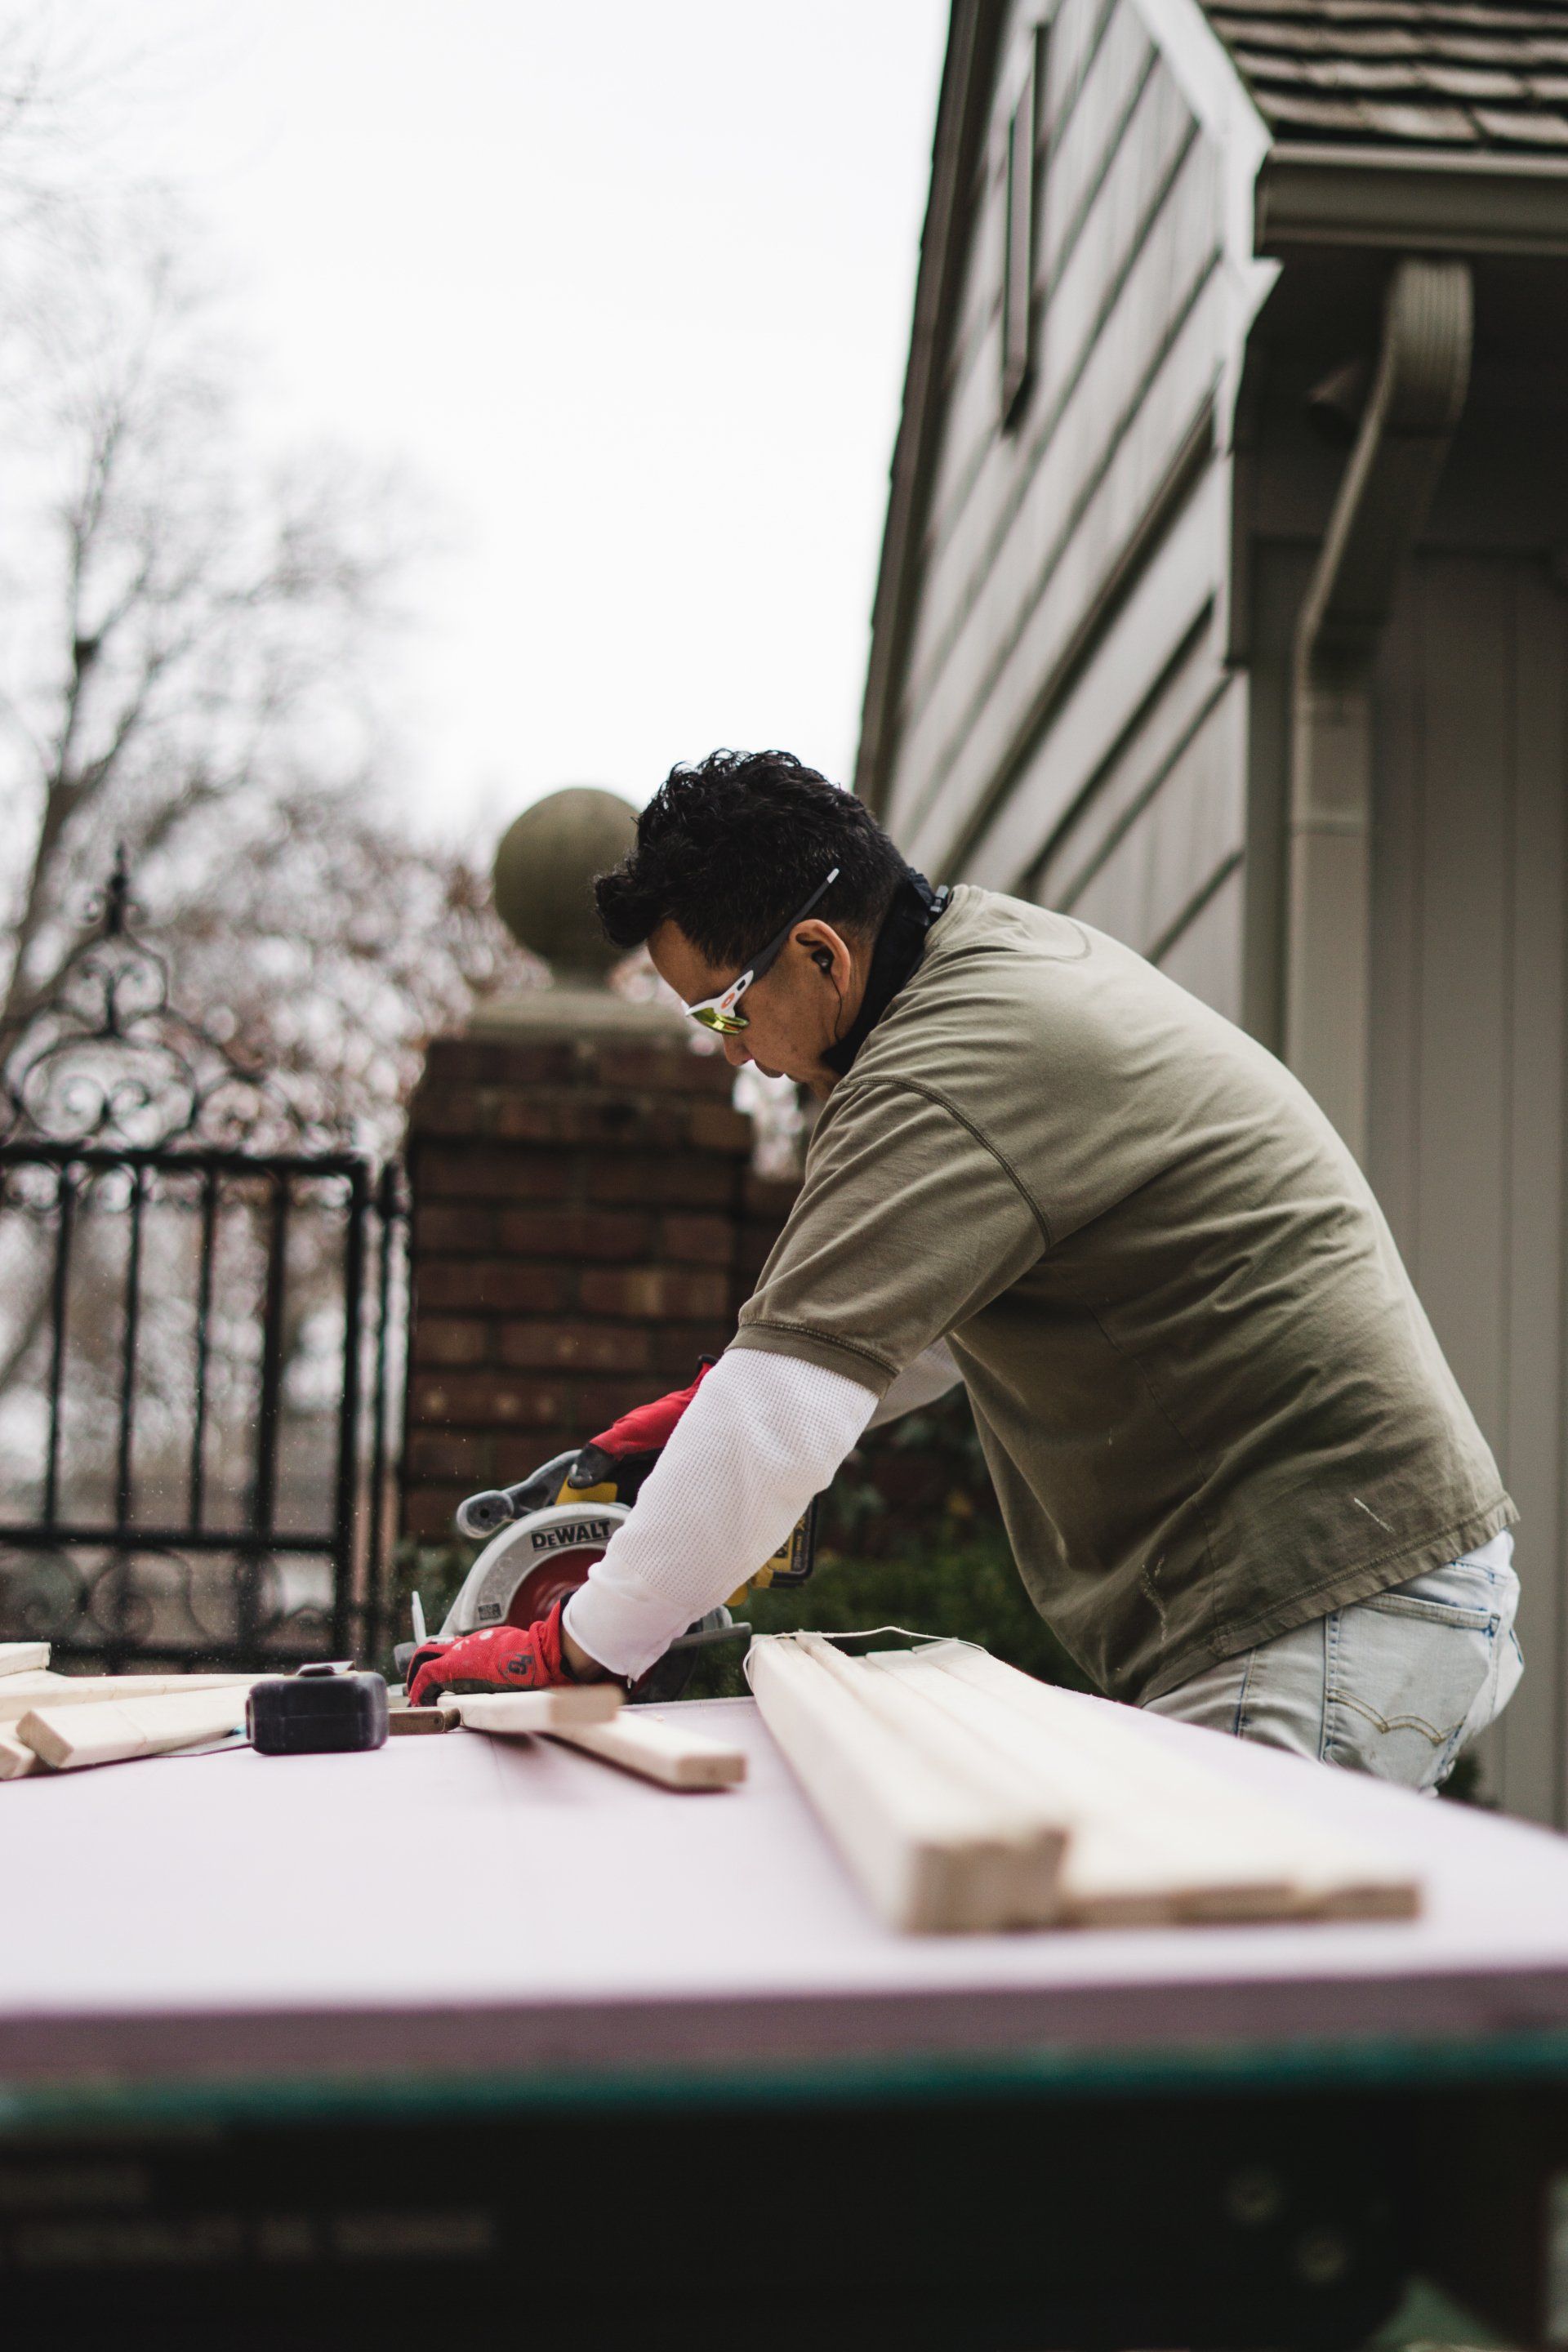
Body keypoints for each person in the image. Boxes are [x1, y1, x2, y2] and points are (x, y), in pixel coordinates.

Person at [406, 750, 1521, 1790]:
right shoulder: (990, 961)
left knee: (1185, 1990)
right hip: (1356, 1587)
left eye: (723, 1008)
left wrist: (577, 1649)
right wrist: (699, 1418)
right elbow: (924, 1337)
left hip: (1323, 1605)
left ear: (818, 954)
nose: (732, 1050)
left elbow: (781, 1420)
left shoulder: (935, 1071)